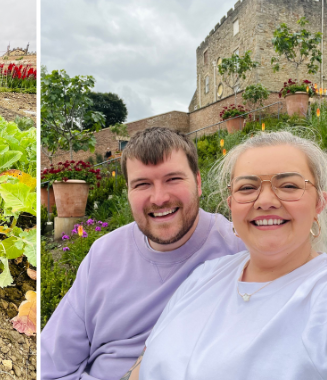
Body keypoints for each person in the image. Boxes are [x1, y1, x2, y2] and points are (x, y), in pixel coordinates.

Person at [123, 131, 327, 380]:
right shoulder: (204, 276)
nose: (265, 201)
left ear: (319, 203)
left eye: (289, 186)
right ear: (231, 205)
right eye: (247, 188)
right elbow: (145, 362)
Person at [41, 127, 245, 380]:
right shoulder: (103, 253)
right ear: (127, 191)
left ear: (198, 183)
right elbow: (51, 366)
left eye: (173, 179)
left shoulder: (238, 248)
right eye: (142, 184)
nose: (159, 198)